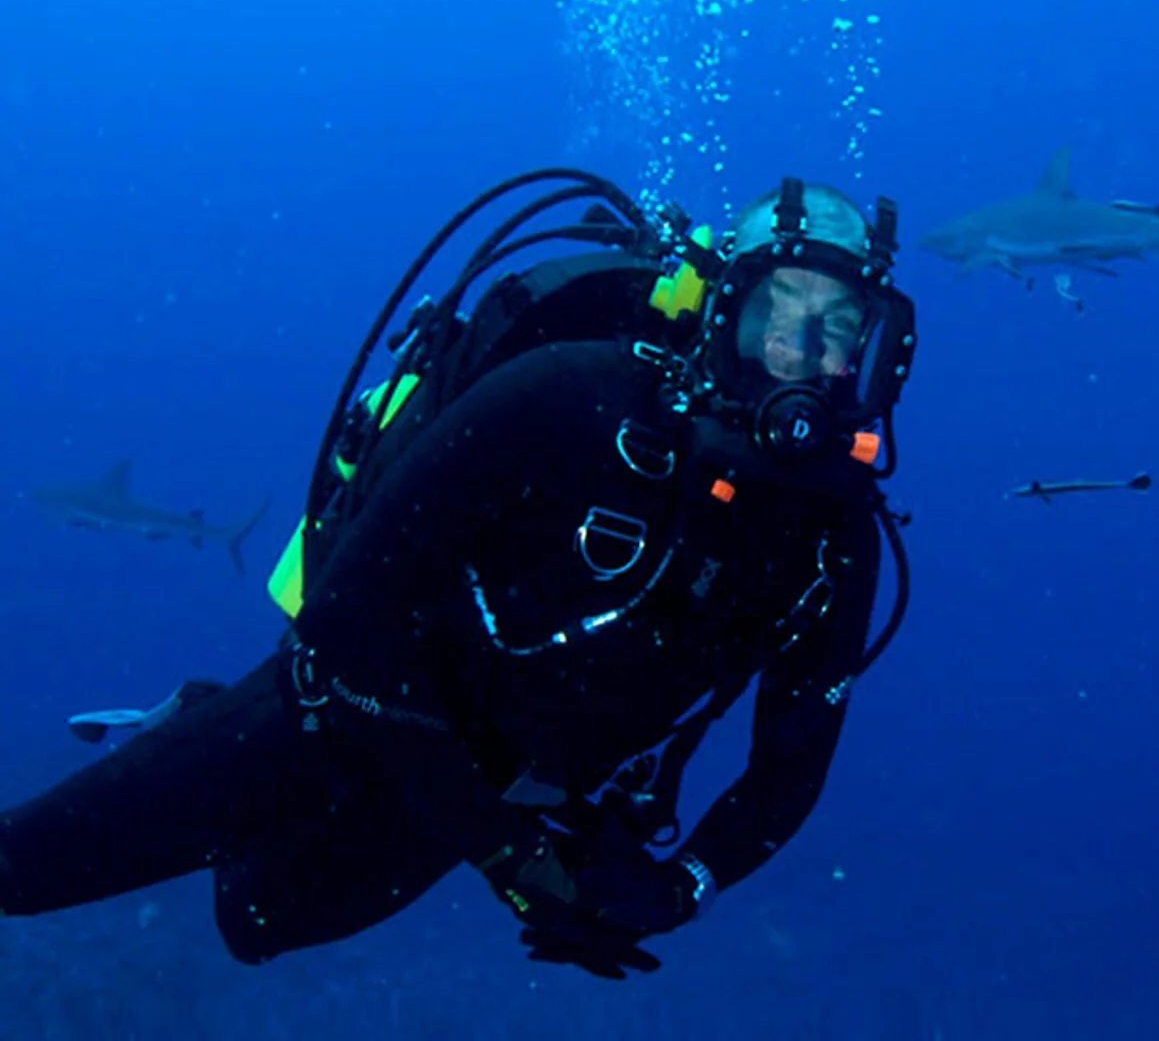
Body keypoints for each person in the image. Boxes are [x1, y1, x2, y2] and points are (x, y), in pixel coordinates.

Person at [0, 169, 917, 980]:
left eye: (839, 327)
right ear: (725, 310)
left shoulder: (836, 539)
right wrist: (509, 859)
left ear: (874, 354)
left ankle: (207, 750)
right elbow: (341, 622)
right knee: (20, 873)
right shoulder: (569, 396)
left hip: (484, 797)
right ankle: (205, 720)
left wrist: (677, 887)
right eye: (779, 312)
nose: (806, 354)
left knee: (253, 924)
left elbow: (788, 767)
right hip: (341, 709)